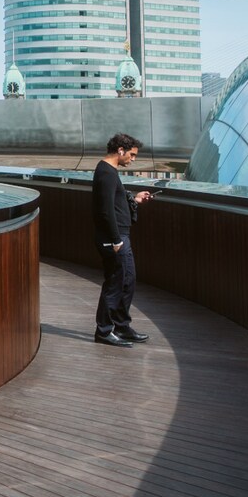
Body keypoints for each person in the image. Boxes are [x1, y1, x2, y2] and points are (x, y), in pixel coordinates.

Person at [92, 132, 153, 347]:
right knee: (115, 284)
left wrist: (134, 199)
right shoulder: (106, 172)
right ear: (121, 151)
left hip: (119, 236)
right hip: (114, 239)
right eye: (132, 155)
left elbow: (115, 202)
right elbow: (105, 210)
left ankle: (121, 326)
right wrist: (116, 239)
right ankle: (104, 331)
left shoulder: (109, 171)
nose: (133, 159)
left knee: (127, 281)